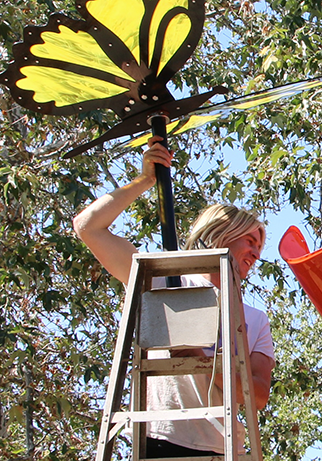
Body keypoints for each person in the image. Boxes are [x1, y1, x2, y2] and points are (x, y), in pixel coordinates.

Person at [73, 136, 275, 457]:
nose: (255, 253)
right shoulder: (162, 281)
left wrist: (194, 355)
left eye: (259, 247)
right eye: (250, 240)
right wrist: (145, 180)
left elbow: (259, 394)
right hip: (160, 440)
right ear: (220, 234)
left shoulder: (254, 319)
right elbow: (88, 227)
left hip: (223, 449)